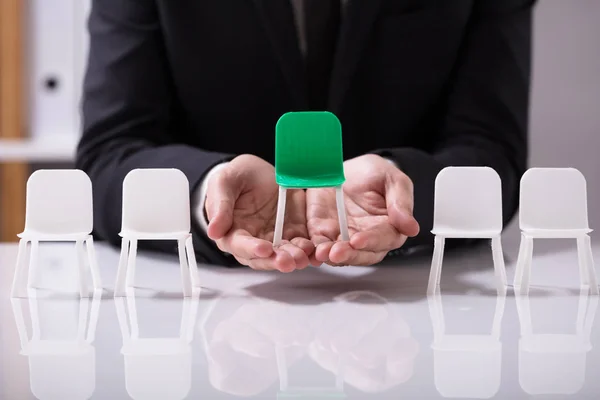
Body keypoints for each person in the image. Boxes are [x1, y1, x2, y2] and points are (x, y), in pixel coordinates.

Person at [76, 0, 535, 271]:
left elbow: (492, 154)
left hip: (416, 304)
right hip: (205, 314)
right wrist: (208, 193)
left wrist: (402, 184)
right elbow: (110, 155)